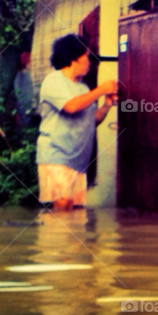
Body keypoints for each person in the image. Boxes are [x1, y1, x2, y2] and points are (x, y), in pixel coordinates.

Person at [37, 34, 118, 210]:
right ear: (73, 58)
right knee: (61, 208)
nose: (90, 62)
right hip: (56, 156)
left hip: (78, 161)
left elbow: (91, 120)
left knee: (74, 215)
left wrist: (106, 105)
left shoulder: (83, 88)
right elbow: (71, 107)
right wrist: (101, 90)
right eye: (87, 57)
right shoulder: (53, 81)